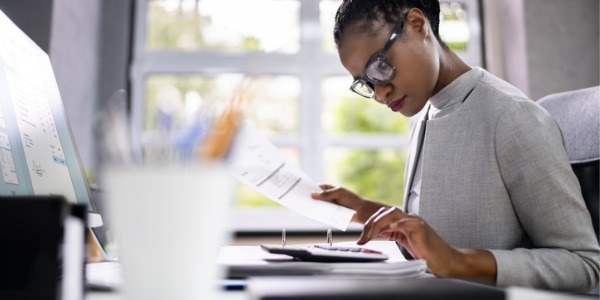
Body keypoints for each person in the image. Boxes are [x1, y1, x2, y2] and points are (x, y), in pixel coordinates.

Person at [311, 0, 599, 293]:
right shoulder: (423, 113)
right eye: (366, 84)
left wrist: (459, 261)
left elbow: (584, 264)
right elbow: (442, 230)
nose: (381, 94)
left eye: (380, 67)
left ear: (416, 25)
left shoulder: (512, 116)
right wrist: (365, 209)